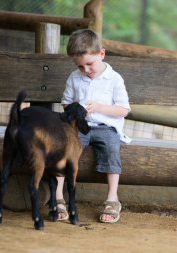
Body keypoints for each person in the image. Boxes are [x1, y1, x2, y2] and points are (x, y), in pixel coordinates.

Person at [56, 28, 131, 223]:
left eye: (89, 64)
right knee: (64, 148)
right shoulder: (74, 77)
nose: (86, 70)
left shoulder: (114, 79)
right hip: (80, 126)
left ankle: (112, 199)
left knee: (112, 148)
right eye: (80, 66)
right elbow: (66, 102)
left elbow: (123, 110)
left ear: (102, 54)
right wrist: (76, 109)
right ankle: (57, 197)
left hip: (106, 127)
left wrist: (99, 107)